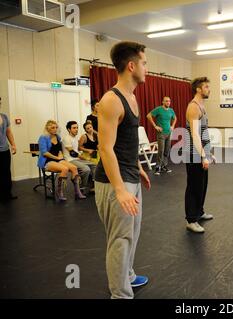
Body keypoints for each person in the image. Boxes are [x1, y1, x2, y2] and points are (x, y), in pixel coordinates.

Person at [94, 41, 151, 299]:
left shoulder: (132, 97)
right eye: (144, 62)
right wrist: (120, 190)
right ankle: (120, 294)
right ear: (132, 66)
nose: (146, 68)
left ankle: (127, 275)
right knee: (120, 240)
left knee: (133, 234)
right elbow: (105, 149)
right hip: (113, 182)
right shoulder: (111, 100)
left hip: (129, 176)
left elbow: (125, 142)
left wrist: (138, 166)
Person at [184, 77, 215, 233]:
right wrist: (202, 156)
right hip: (193, 153)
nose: (209, 89)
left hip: (201, 152)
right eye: (206, 87)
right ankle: (191, 220)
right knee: (194, 186)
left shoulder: (202, 106)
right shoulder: (194, 107)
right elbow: (195, 135)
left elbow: (204, 132)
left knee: (202, 185)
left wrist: (209, 153)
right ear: (198, 89)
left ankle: (199, 212)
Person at [38, 120, 86, 201]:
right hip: (47, 161)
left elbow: (59, 150)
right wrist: (57, 158)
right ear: (48, 128)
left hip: (58, 159)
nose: (55, 129)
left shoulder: (57, 137)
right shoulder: (43, 137)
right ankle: (59, 191)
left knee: (74, 168)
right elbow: (44, 153)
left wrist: (60, 156)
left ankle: (78, 192)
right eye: (53, 127)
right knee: (65, 169)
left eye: (56, 127)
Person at [63, 121, 96, 195]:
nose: (76, 129)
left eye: (77, 127)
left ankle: (92, 186)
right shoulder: (66, 138)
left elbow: (77, 150)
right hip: (69, 160)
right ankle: (81, 187)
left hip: (76, 159)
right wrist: (84, 157)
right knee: (86, 169)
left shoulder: (75, 138)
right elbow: (73, 153)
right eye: (74, 128)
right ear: (69, 129)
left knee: (94, 165)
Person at [146, 96, 177, 175]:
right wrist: (155, 126)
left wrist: (172, 126)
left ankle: (164, 166)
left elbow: (175, 118)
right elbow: (148, 116)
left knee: (167, 150)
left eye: (169, 101)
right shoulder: (158, 109)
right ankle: (157, 167)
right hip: (161, 133)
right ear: (162, 102)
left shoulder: (171, 110)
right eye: (166, 101)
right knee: (161, 150)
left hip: (168, 133)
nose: (168, 103)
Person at [0, 97, 18, 203]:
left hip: (5, 150)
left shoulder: (4, 117)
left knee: (6, 172)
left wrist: (13, 145)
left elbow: (8, 132)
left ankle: (7, 194)